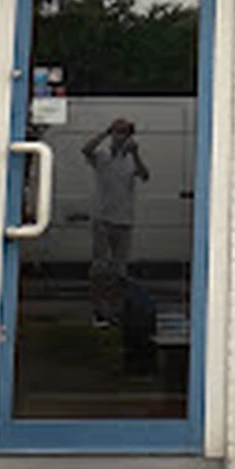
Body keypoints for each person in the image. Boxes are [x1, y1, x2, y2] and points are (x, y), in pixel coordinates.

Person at [81, 117, 149, 327]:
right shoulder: (102, 156)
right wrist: (105, 132)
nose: (120, 137)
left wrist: (135, 154)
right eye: (118, 133)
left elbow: (144, 175)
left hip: (124, 220)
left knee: (120, 270)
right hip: (103, 218)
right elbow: (86, 150)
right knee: (100, 268)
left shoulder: (130, 160)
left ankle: (115, 310)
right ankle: (98, 310)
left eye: (124, 133)